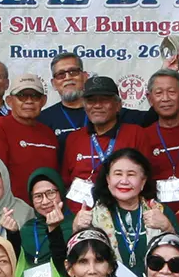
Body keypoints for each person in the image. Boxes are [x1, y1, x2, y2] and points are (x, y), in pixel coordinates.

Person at [79, 147, 173, 277]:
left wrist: (167, 227)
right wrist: (77, 229)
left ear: (143, 181)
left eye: (131, 174)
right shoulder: (93, 216)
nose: (124, 181)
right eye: (118, 174)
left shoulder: (160, 212)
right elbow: (76, 263)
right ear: (108, 180)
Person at [61, 76, 150, 213]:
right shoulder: (74, 138)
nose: (97, 106)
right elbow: (66, 181)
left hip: (121, 214)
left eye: (104, 100)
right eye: (91, 101)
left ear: (118, 105)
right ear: (84, 106)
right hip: (79, 214)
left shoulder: (136, 134)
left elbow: (145, 178)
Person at [0, 73, 59, 202]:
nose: (29, 101)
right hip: (13, 208)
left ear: (43, 101)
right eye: (22, 96)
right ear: (9, 101)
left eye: (35, 96)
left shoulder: (48, 133)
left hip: (46, 207)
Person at [141, 69, 179, 206]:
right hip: (157, 213)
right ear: (150, 99)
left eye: (171, 92)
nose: (165, 98)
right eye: (159, 93)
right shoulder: (143, 136)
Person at [24, 169, 71, 277]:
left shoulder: (74, 226)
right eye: (38, 196)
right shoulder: (27, 229)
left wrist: (54, 230)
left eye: (50, 193)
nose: (45, 201)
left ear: (61, 192)